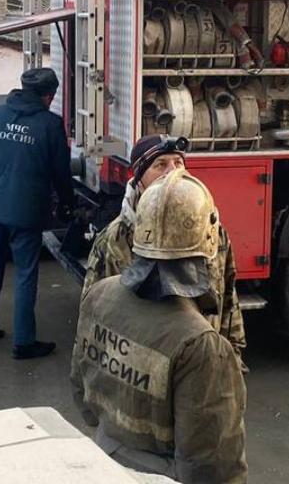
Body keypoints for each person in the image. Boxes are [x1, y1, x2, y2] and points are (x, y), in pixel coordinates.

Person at [71, 169, 247, 483]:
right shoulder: (200, 344)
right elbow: (212, 466)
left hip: (102, 459)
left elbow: (81, 394)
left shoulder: (100, 295)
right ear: (208, 241)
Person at [82, 135, 246, 362]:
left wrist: (233, 361)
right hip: (143, 372)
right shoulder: (114, 240)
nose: (172, 173)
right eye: (160, 165)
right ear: (138, 180)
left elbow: (228, 306)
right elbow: (95, 315)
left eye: (178, 163)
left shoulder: (212, 233)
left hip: (202, 366)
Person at [0, 67, 73, 360]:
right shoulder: (50, 124)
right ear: (48, 96)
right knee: (25, 273)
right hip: (27, 209)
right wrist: (67, 204)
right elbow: (61, 172)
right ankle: (24, 342)